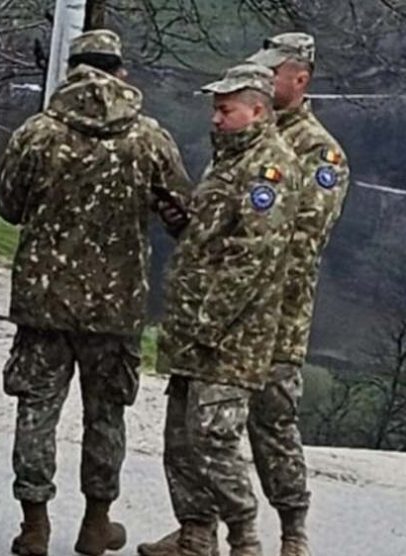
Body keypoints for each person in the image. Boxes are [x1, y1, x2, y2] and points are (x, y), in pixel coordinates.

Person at [0, 29, 191, 556]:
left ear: (71, 70)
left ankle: (34, 525)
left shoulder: (38, 132)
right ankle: (96, 523)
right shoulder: (149, 138)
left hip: (44, 302)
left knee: (37, 410)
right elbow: (182, 214)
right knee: (106, 416)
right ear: (120, 71)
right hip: (116, 305)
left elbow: (7, 206)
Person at [138, 63, 300, 556]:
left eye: (225, 110)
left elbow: (254, 256)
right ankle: (194, 535)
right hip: (193, 328)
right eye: (215, 109)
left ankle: (244, 539)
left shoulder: (269, 168)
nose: (215, 118)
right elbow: (209, 239)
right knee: (181, 441)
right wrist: (181, 221)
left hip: (231, 336)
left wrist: (209, 321)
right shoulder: (227, 160)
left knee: (215, 439)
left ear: (257, 111)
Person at [243, 32, 349, 556]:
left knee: (272, 421)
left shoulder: (318, 150)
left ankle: (292, 531)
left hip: (278, 314)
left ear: (300, 79)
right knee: (204, 424)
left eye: (273, 73)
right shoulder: (246, 131)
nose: (263, 80)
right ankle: (198, 527)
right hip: (224, 311)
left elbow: (306, 236)